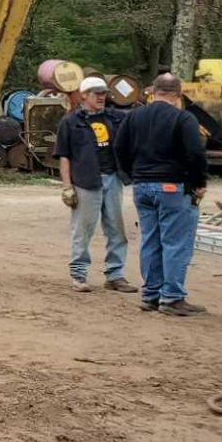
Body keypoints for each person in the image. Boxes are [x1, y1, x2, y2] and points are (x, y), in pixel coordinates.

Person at [114, 72, 210, 317]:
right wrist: (199, 182)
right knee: (175, 242)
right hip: (172, 186)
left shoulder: (133, 117)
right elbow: (196, 152)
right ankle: (172, 297)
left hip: (142, 186)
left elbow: (119, 147)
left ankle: (151, 294)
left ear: (152, 91)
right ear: (178, 94)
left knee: (151, 240)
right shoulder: (183, 118)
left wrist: (131, 175)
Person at [53, 76, 131, 294]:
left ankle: (115, 275)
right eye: (96, 93)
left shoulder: (116, 119)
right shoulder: (70, 122)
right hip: (86, 181)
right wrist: (67, 186)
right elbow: (64, 157)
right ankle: (79, 275)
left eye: (103, 93)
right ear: (84, 95)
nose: (101, 97)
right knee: (83, 230)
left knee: (116, 229)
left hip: (112, 179)